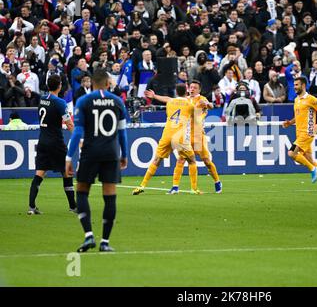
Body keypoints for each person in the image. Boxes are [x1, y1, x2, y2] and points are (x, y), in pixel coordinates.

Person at [65, 70, 128, 252]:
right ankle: (105, 242)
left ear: (92, 83)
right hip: (110, 153)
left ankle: (88, 236)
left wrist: (69, 157)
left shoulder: (84, 101)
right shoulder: (118, 101)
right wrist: (124, 155)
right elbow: (122, 132)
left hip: (90, 153)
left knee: (82, 191)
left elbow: (77, 132)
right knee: (109, 195)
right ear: (108, 83)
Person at [154, 81, 223, 194]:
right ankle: (175, 186)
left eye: (194, 88)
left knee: (206, 160)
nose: (192, 89)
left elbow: (210, 105)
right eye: (190, 87)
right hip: (185, 135)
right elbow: (169, 99)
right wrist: (155, 96)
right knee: (180, 160)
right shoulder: (184, 100)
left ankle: (217, 181)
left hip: (198, 135)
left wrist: (207, 104)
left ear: (199, 90)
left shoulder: (201, 98)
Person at [132, 84, 201, 196]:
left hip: (167, 134)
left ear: (176, 92)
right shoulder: (190, 105)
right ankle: (194, 188)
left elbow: (165, 98)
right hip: (180, 136)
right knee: (192, 160)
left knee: (156, 160)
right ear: (186, 92)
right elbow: (197, 118)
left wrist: (154, 96)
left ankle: (142, 185)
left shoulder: (170, 101)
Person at [27, 75, 75, 215]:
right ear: (59, 86)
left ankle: (31, 207)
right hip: (56, 142)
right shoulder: (60, 102)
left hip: (42, 141)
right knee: (67, 172)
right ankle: (73, 206)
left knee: (39, 173)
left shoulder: (42, 99)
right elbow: (69, 123)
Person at [283, 77, 317, 191]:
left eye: (297, 85)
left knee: (291, 153)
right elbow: (299, 116)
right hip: (299, 132)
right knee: (309, 158)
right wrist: (290, 122)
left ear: (303, 85)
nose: (294, 87)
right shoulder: (296, 100)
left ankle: (312, 169)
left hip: (308, 132)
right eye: (294, 85)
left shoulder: (311, 99)